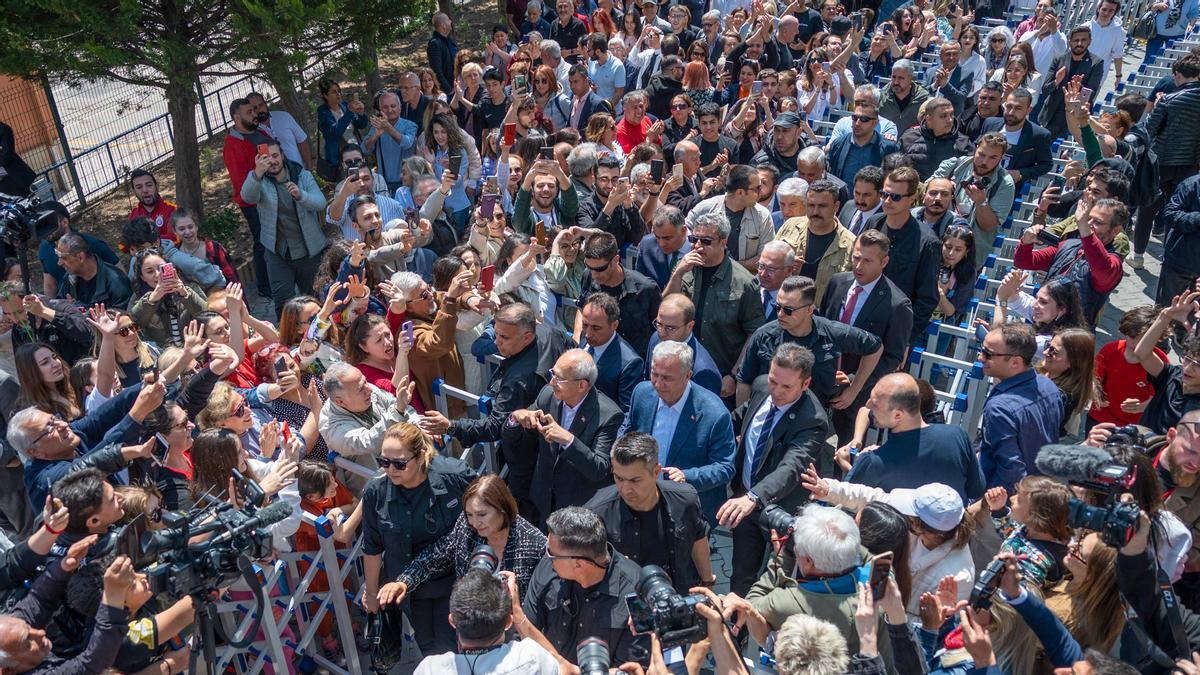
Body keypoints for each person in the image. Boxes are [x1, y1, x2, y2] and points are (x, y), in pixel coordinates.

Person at [419, 303, 559, 516]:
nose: (496, 342)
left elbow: (494, 427)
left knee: (521, 507)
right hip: (550, 435)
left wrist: (451, 425)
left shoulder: (517, 381)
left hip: (527, 451)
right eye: (497, 333)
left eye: (504, 338)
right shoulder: (548, 332)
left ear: (527, 337)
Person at [720, 343, 831, 596]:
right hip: (746, 503)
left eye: (787, 387)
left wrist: (753, 496)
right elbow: (739, 418)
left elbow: (791, 467)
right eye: (773, 381)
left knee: (778, 582)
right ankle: (737, 632)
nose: (776, 391)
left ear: (806, 384)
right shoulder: (761, 386)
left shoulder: (812, 420)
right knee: (741, 576)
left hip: (783, 511)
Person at [360, 422, 474, 657]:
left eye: (399, 463)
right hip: (410, 589)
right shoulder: (376, 491)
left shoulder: (453, 476)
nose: (391, 470)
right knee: (428, 647)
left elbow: (494, 505)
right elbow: (371, 547)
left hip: (454, 582)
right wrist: (371, 594)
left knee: (448, 650)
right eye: (383, 462)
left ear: (421, 456)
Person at [380, 475, 546, 607]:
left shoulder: (535, 544)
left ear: (502, 510)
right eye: (469, 514)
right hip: (472, 627)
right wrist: (404, 582)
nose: (474, 522)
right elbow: (436, 555)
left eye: (482, 515)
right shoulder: (466, 527)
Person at [620, 340, 736, 522]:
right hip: (641, 500)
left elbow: (724, 466)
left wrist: (686, 476)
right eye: (654, 374)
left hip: (687, 510)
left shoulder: (714, 414)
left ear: (688, 375)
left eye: (666, 378)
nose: (658, 384)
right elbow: (627, 432)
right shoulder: (642, 393)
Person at [585, 432, 715, 593]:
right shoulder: (597, 512)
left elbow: (698, 538)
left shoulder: (685, 499)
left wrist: (707, 580)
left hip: (679, 594)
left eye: (635, 480)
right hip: (624, 602)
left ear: (656, 472)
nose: (625, 489)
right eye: (618, 478)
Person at [507, 349, 622, 523]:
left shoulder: (608, 415)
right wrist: (517, 417)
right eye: (553, 373)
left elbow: (599, 468)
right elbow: (516, 428)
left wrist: (568, 440)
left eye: (559, 378)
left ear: (582, 385)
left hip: (578, 511)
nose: (552, 381)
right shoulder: (547, 395)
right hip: (542, 502)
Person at [521, 506, 648, 665]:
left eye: (552, 554)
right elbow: (524, 636)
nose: (546, 556)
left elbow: (634, 668)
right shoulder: (548, 567)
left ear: (579, 565)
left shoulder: (638, 595)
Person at [843, 373, 984, 504]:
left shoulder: (872, 462)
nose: (868, 405)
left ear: (898, 415)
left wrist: (849, 466)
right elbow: (976, 489)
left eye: (875, 403)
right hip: (953, 529)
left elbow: (849, 500)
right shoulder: (958, 436)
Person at [664, 211, 765, 387]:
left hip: (720, 372)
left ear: (723, 242)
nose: (697, 246)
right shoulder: (685, 268)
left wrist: (734, 375)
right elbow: (666, 307)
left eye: (706, 241)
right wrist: (678, 273)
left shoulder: (744, 282)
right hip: (680, 367)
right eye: (694, 240)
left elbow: (754, 333)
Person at [0, 552, 139, 675]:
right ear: (8, 671)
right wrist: (113, 597)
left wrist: (64, 566)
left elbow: (40, 598)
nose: (40, 633)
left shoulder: (12, 630)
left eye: (29, 627)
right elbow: (92, 663)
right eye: (27, 643)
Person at [412, 567, 563, 675]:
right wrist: (517, 611)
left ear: (452, 621)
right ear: (508, 622)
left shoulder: (430, 668)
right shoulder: (530, 658)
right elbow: (564, 668)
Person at [239, 139, 328, 313]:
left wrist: (301, 195)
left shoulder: (301, 175)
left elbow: (321, 203)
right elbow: (247, 197)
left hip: (308, 251)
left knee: (314, 302)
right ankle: (286, 339)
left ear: (282, 156)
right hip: (277, 253)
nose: (272, 161)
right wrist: (257, 173)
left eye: (275, 155)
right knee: (283, 305)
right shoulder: (260, 181)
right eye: (266, 157)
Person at [978, 322, 1065, 489]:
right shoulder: (1049, 387)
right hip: (1040, 484)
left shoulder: (999, 409)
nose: (980, 357)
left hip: (1004, 498)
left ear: (1015, 363)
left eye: (988, 354)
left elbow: (1011, 470)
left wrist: (991, 507)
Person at [1015, 197, 1126, 326]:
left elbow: (1100, 265)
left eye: (1098, 222)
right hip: (1043, 325)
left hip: (1073, 337)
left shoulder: (1114, 265)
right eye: (1088, 218)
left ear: (1116, 230)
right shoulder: (1069, 245)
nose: (1089, 223)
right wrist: (1026, 243)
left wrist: (1084, 226)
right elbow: (1024, 262)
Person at [864, 167, 940, 346]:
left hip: (894, 329)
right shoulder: (874, 222)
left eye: (895, 197)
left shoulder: (928, 242)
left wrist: (904, 341)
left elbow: (926, 299)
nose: (887, 200)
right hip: (863, 317)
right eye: (884, 194)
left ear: (912, 198)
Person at [317, 362, 417, 494]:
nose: (369, 389)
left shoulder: (366, 389)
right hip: (377, 488)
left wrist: (422, 426)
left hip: (402, 463)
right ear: (340, 401)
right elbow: (371, 442)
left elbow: (399, 405)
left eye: (365, 381)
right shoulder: (332, 426)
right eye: (361, 389)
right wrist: (398, 411)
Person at [932, 132, 1016, 269]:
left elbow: (988, 226)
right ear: (976, 148)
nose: (984, 162)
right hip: (935, 241)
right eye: (982, 154)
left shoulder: (1005, 183)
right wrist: (943, 187)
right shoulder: (955, 164)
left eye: (993, 158)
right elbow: (925, 193)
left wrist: (981, 202)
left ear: (1002, 157)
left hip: (966, 257)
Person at [221, 97, 274, 298]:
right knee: (262, 241)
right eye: (249, 112)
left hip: (270, 193)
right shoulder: (233, 145)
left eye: (254, 110)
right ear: (236, 117)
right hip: (252, 202)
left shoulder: (260, 133)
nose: (254, 114)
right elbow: (240, 181)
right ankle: (264, 286)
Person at [576, 231, 659, 354]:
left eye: (600, 269)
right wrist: (578, 340)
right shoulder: (588, 276)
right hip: (596, 354)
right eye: (589, 267)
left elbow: (660, 330)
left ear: (616, 260)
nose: (594, 275)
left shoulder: (646, 289)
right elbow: (582, 308)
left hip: (633, 362)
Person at [683, 164, 775, 271]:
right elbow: (684, 234)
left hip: (743, 282)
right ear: (740, 192)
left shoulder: (762, 216)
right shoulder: (705, 208)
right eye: (757, 189)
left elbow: (765, 258)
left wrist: (730, 267)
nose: (761, 192)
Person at [645, 293, 722, 396]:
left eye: (670, 328)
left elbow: (705, 409)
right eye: (659, 324)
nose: (662, 332)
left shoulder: (703, 372)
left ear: (690, 326)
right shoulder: (656, 339)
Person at [576, 293, 642, 413]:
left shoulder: (630, 363)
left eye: (596, 328)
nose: (588, 334)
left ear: (614, 325)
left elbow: (626, 412)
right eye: (585, 325)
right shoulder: (585, 338)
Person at [1037, 26, 1104, 140]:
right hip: (1050, 118)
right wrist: (1056, 81)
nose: (1079, 43)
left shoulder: (1096, 63)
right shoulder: (1059, 59)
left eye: (1083, 40)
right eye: (1076, 40)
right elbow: (1045, 89)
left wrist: (1078, 87)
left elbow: (1090, 94)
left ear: (1090, 41)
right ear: (1070, 42)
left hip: (1074, 120)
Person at [979, 88, 1052, 188]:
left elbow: (1046, 164)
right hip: (981, 182)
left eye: (1018, 108)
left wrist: (1020, 173)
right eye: (1008, 106)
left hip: (1008, 188)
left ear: (1028, 110)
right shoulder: (990, 123)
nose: (1011, 112)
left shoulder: (1039, 135)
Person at [899, 97, 975, 181]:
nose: (950, 120)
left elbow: (968, 175)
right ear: (929, 119)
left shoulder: (963, 143)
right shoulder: (909, 138)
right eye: (943, 116)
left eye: (952, 114)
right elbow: (897, 170)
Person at [828, 101, 900, 187]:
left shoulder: (888, 148)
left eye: (864, 119)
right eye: (855, 118)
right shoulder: (838, 145)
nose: (857, 123)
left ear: (875, 123)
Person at [53, 233, 132, 309]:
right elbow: (58, 306)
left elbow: (124, 318)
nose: (59, 263)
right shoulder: (70, 278)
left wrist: (79, 310)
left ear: (81, 257)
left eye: (63, 258)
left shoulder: (116, 282)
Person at [363, 90, 420, 193]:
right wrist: (375, 136)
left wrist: (388, 128)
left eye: (393, 106)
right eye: (385, 107)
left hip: (407, 184)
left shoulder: (410, 125)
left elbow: (406, 143)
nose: (389, 110)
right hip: (384, 185)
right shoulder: (377, 127)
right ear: (380, 110)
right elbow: (364, 150)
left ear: (400, 108)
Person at [316, 78, 369, 175]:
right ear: (325, 95)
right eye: (333, 92)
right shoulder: (323, 112)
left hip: (355, 151)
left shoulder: (344, 106)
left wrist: (361, 113)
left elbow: (361, 125)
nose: (338, 94)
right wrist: (349, 113)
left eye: (339, 91)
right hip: (338, 158)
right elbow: (336, 131)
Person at [634, 204, 690, 288]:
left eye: (667, 238)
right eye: (657, 237)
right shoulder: (647, 245)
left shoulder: (700, 248)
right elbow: (639, 286)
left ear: (683, 230)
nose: (661, 244)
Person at [879, 60, 931, 135]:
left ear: (910, 78)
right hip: (886, 143)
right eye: (893, 77)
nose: (896, 82)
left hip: (911, 143)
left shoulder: (923, 99)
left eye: (901, 78)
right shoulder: (881, 96)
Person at [125, 170, 176, 240]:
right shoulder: (133, 215)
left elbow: (175, 238)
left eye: (149, 185)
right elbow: (125, 244)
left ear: (157, 187)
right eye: (139, 187)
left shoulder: (172, 209)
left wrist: (146, 240)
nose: (145, 190)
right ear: (134, 192)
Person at [1088, 0, 1126, 82]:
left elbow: (1118, 55)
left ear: (1114, 13)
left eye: (1111, 11)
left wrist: (1118, 76)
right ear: (1098, 9)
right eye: (1104, 9)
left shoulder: (1119, 32)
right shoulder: (1085, 27)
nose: (1106, 13)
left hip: (1097, 76)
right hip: (1077, 71)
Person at [841, 166, 885, 236]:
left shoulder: (885, 220)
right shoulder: (848, 206)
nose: (860, 199)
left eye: (866, 195)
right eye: (857, 193)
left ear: (880, 194)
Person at [427, 12, 459, 95]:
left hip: (457, 87)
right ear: (443, 25)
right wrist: (449, 90)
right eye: (448, 20)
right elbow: (436, 71)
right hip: (447, 92)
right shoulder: (434, 44)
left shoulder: (449, 41)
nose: (451, 22)